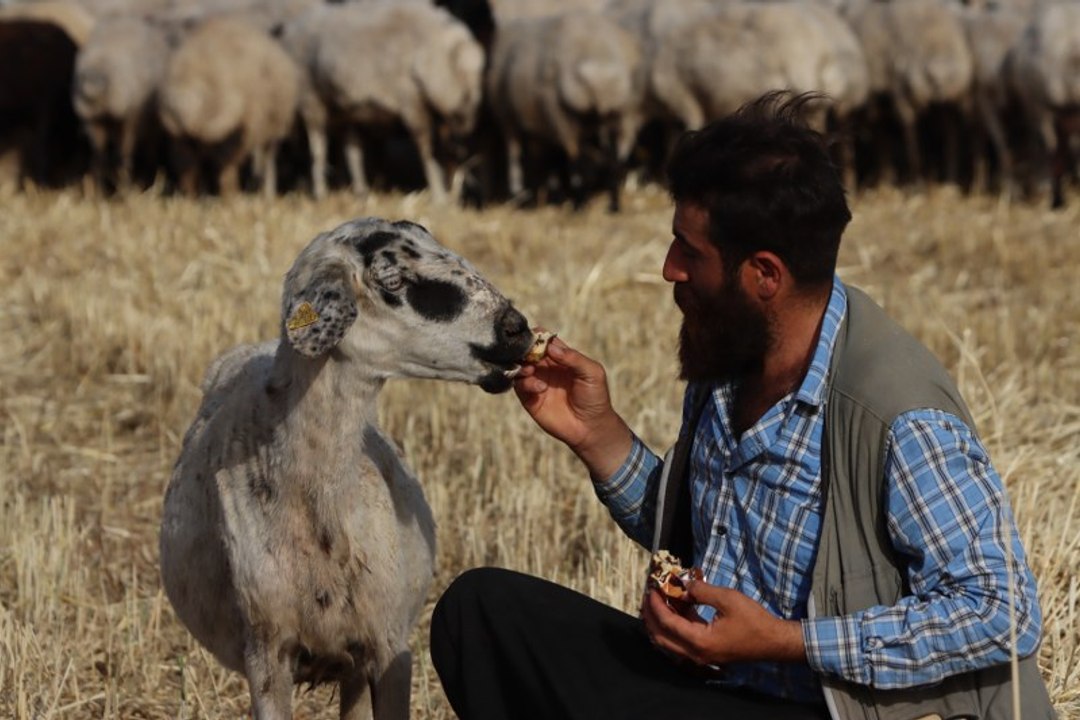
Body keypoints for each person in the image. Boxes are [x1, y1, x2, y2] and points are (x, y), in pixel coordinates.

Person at [428, 92, 1055, 720]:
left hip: (837, 710)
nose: (669, 269)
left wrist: (787, 644)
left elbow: (1001, 612)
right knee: (481, 613)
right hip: (725, 692)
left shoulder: (898, 412)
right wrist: (598, 435)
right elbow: (713, 532)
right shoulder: (730, 355)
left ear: (764, 275)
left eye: (689, 251)